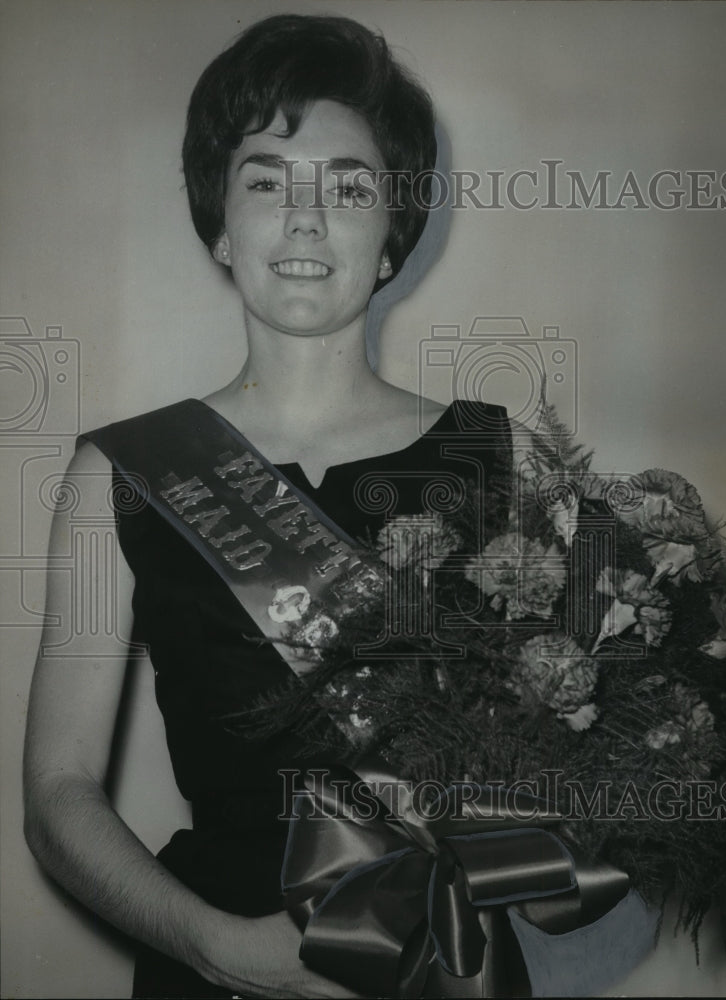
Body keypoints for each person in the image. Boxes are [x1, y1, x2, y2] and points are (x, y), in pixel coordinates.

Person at [22, 13, 512, 998]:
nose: (303, 220)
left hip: (438, 954)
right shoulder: (119, 472)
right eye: (264, 180)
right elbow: (57, 791)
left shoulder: (495, 456)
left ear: (390, 236)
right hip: (218, 954)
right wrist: (210, 944)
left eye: (348, 186)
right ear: (218, 222)